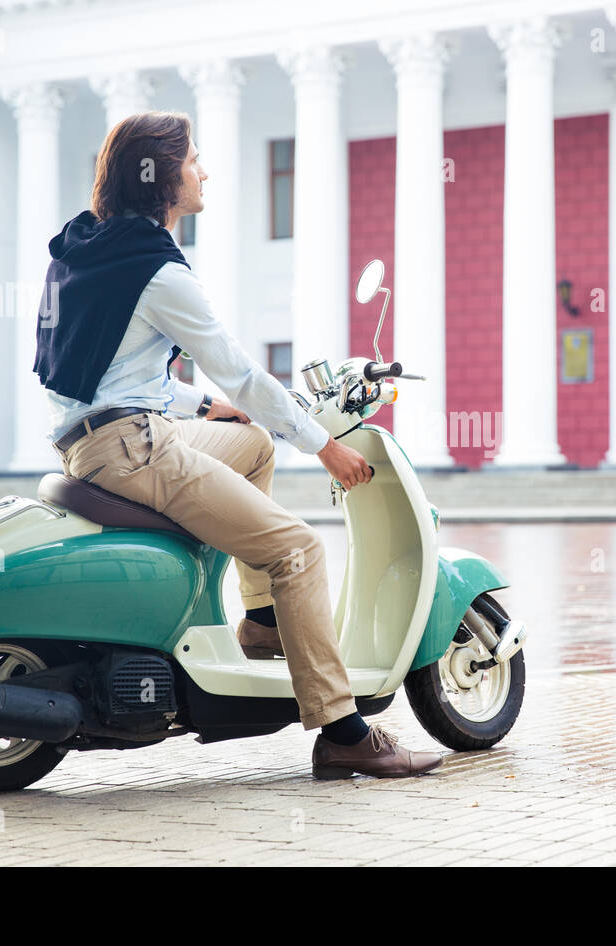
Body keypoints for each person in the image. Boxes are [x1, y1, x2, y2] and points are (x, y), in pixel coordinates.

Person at [33, 110, 441, 780]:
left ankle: (259, 624)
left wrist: (202, 406)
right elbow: (245, 374)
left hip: (102, 437)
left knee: (250, 445)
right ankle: (343, 730)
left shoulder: (90, 248)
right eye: (193, 159)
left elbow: (108, 370)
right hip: (133, 447)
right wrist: (323, 445)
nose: (204, 170)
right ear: (164, 176)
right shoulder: (157, 273)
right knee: (299, 549)